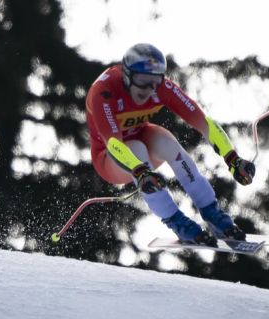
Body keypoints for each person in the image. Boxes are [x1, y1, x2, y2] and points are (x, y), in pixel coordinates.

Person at [85, 43, 256, 246]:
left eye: (155, 82)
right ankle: (178, 223)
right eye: (142, 81)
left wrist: (232, 158)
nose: (149, 90)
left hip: (141, 142)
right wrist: (140, 172)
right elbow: (113, 143)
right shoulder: (104, 92)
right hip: (111, 158)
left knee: (169, 144)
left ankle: (212, 212)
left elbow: (203, 122)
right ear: (126, 75)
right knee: (138, 150)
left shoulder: (163, 89)